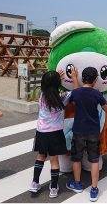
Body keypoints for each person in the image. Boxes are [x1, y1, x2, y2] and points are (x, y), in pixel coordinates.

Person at [29, 67, 78, 198]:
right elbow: (76, 92)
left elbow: (48, 86)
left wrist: (54, 79)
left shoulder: (41, 94)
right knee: (54, 160)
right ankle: (54, 187)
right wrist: (73, 78)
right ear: (58, 84)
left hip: (41, 132)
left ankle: (34, 183)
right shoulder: (62, 96)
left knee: (40, 157)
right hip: (56, 133)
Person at [66, 67, 107, 202]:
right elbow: (106, 108)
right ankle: (94, 189)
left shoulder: (76, 93)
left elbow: (73, 99)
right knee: (94, 159)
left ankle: (77, 184)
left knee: (76, 158)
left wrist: (73, 78)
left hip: (78, 130)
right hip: (94, 131)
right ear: (95, 80)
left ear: (82, 79)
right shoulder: (97, 94)